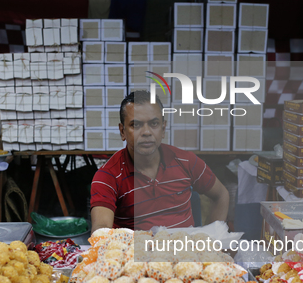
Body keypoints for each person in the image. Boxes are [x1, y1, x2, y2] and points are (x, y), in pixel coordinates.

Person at [90, 90, 230, 232]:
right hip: (134, 253)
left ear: (163, 128)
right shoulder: (108, 176)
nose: (146, 132)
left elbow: (221, 195)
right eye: (136, 125)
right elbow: (101, 230)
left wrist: (210, 240)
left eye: (154, 123)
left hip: (185, 252)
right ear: (122, 132)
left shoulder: (186, 161)